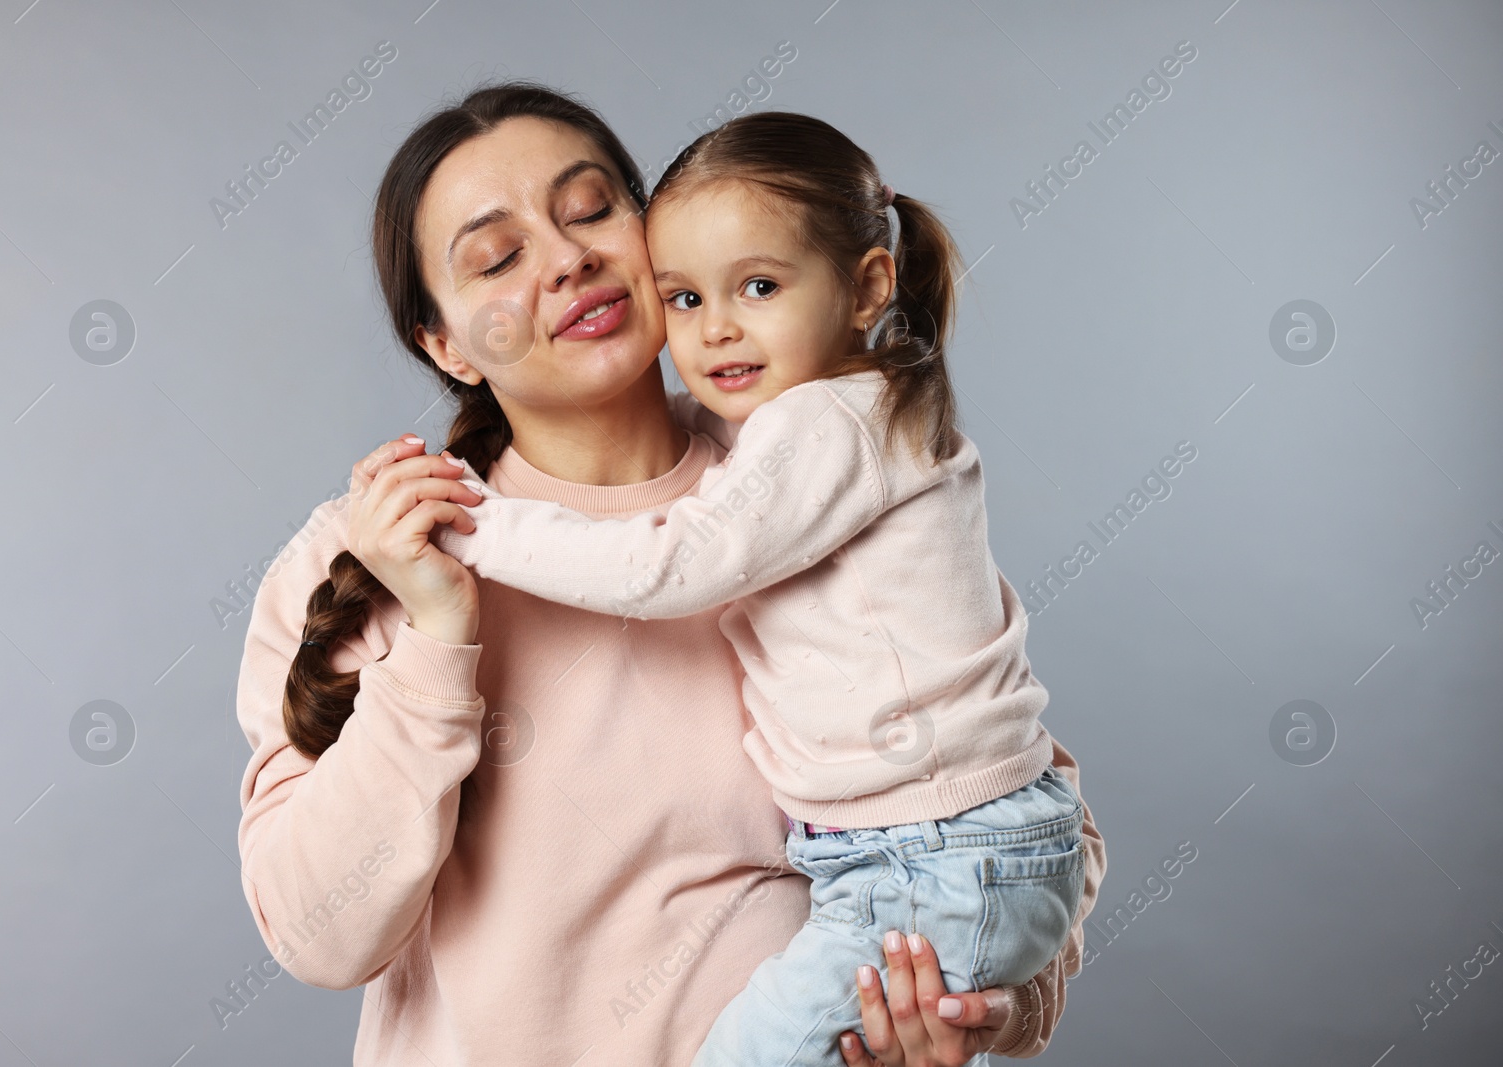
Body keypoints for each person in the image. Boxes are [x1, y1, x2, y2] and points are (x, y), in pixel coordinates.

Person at [235, 81, 1105, 1067]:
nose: (567, 260)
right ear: (446, 345)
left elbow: (1012, 790)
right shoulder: (367, 553)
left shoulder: (814, 483)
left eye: (592, 209)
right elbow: (319, 935)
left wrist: (984, 1007)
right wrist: (437, 639)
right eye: (498, 257)